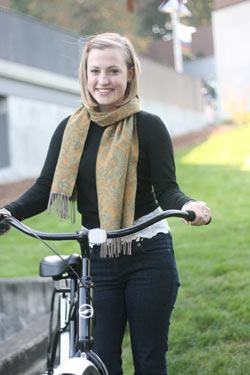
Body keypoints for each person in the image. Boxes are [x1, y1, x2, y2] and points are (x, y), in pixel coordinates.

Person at [0, 33, 211, 374]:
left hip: (149, 256)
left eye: (112, 71)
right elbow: (43, 189)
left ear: (130, 73)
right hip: (96, 262)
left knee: (149, 360)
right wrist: (7, 213)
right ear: (85, 74)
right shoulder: (70, 130)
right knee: (100, 361)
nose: (103, 80)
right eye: (94, 71)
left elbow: (169, 191)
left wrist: (192, 206)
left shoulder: (149, 127)